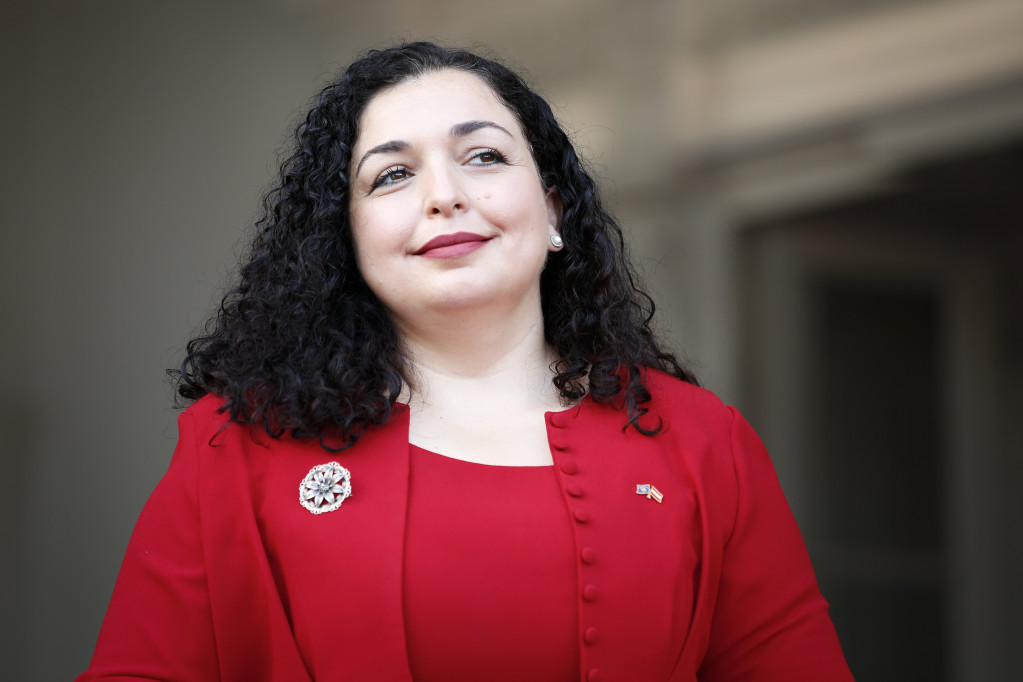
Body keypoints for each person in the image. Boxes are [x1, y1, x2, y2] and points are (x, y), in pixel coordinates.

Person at [77, 41, 854, 681]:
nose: (444, 195)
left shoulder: (700, 440)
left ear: (552, 208)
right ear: (345, 240)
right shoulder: (236, 444)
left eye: (482, 156)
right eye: (392, 174)